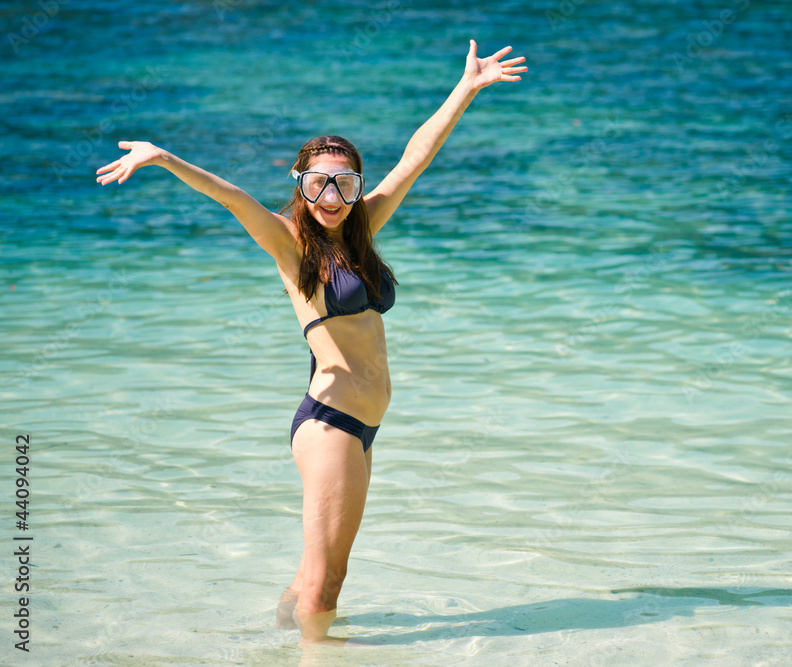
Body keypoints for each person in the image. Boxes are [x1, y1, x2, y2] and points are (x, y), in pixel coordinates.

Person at [95, 40, 526, 645]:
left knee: (312, 577)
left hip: (362, 428)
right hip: (331, 423)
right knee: (328, 583)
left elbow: (415, 158)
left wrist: (466, 88)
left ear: (356, 187)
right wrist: (164, 158)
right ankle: (316, 657)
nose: (332, 199)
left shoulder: (362, 229)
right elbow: (230, 196)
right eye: (320, 185)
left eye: (344, 185)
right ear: (302, 185)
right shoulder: (290, 242)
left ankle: (270, 645)